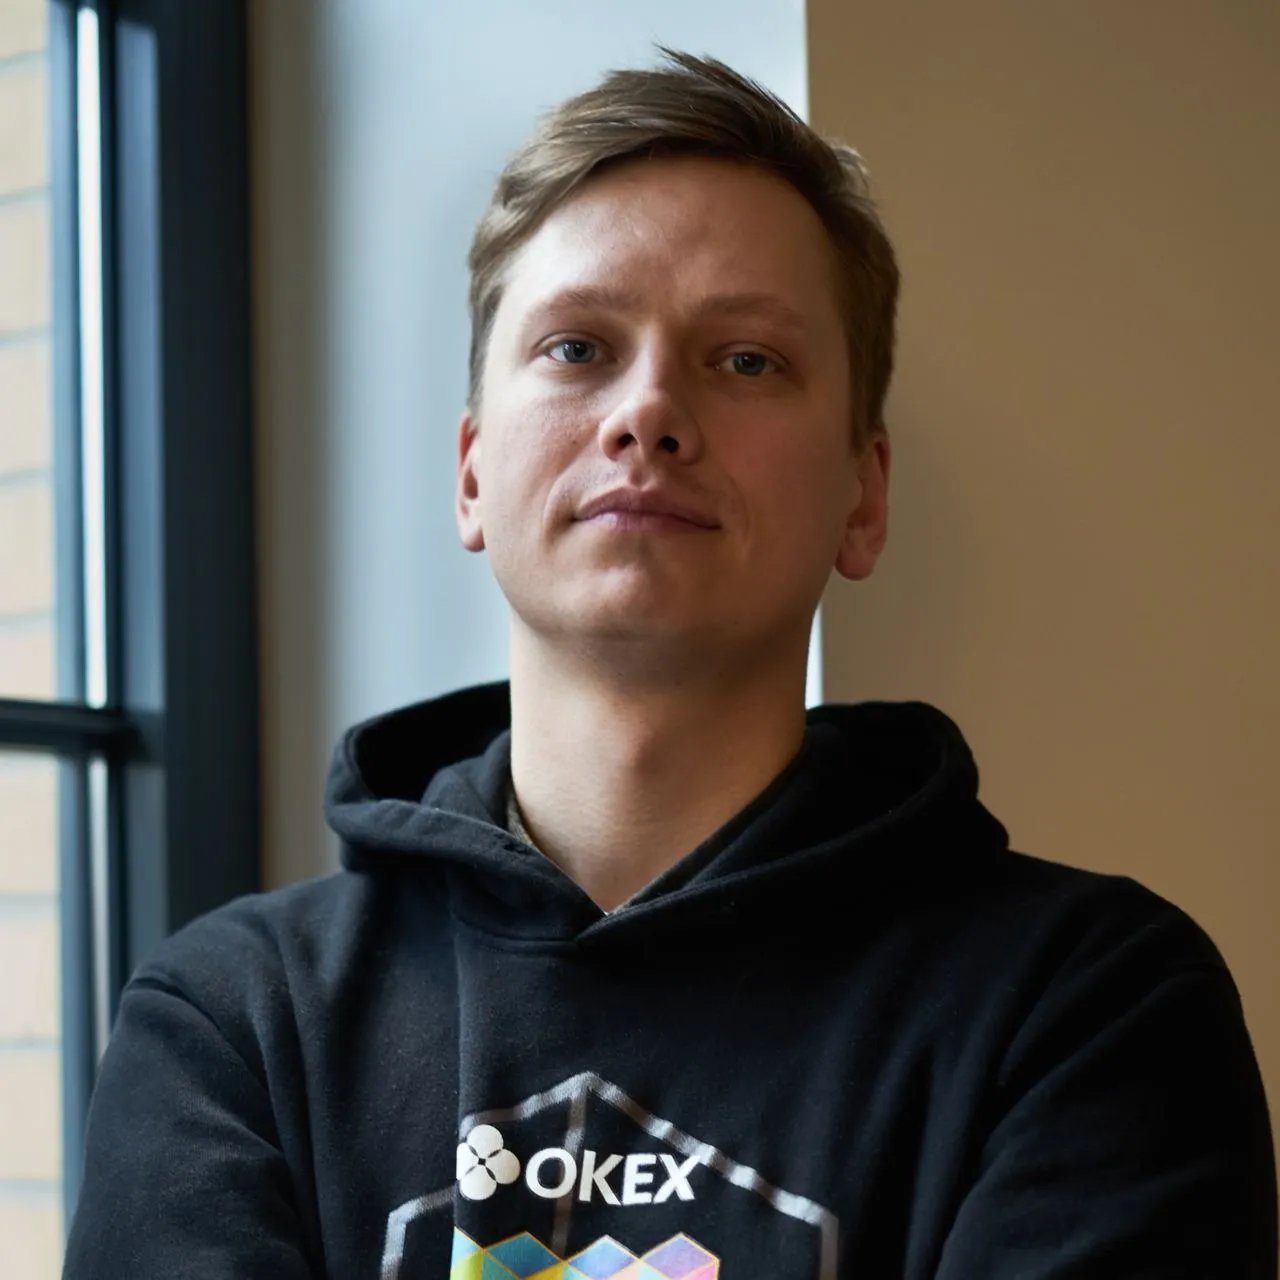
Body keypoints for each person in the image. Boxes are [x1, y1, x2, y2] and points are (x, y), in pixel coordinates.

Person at [63, 49, 1275, 1280]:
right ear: (472, 472)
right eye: (576, 348)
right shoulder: (233, 1023)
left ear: (862, 496)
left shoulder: (1088, 1007)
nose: (647, 411)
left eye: (745, 359)